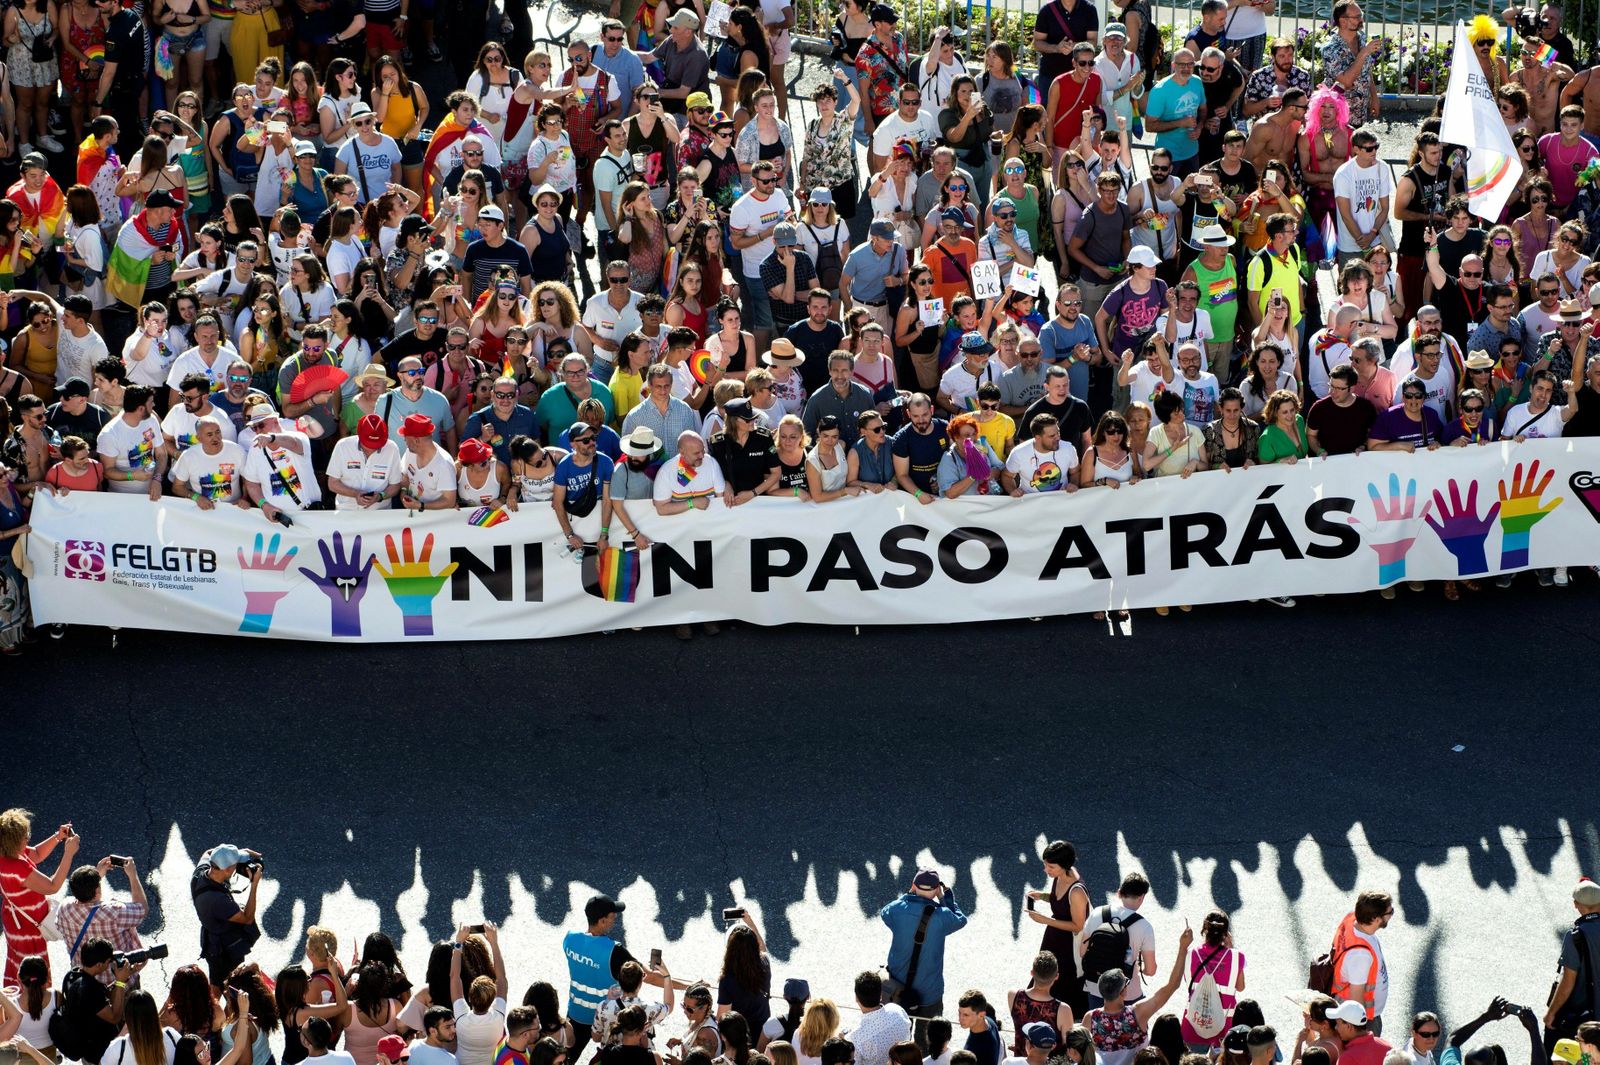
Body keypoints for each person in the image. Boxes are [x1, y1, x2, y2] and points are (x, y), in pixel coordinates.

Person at [1084, 927, 1194, 1065]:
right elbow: (1172, 986)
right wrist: (1183, 947)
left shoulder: (1090, 1019)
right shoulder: (1138, 1013)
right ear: (1123, 992)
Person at [881, 869, 968, 1032]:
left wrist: (909, 895)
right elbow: (960, 919)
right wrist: (944, 898)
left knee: (898, 1037)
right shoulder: (943, 916)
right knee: (927, 1042)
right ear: (936, 890)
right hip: (930, 991)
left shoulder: (897, 909)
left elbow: (885, 913)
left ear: (914, 885)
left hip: (898, 989)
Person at [0, 812, 79, 985]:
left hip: (17, 922)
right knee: (34, 974)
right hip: (28, 930)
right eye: (25, 836)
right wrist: (69, 853)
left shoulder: (7, 853)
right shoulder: (17, 868)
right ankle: (37, 1007)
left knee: (19, 966)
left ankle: (13, 1002)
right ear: (14, 841)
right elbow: (52, 886)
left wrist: (57, 837)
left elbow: (35, 854)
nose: (28, 839)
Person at [190, 844, 263, 988]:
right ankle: (224, 1009)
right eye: (236, 864)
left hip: (212, 945)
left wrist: (241, 852)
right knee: (232, 988)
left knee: (216, 984)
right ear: (228, 869)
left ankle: (212, 1007)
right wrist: (254, 885)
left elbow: (207, 851)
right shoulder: (218, 901)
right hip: (225, 951)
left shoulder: (200, 873)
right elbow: (247, 918)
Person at [1307, 365, 1377, 456]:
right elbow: (1311, 435)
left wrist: (1364, 446)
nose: (1332, 392)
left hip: (1356, 461)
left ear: (1351, 388)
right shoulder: (1319, 408)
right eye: (1331, 386)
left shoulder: (1366, 407)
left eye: (1339, 389)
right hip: (1328, 462)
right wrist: (1319, 451)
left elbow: (1373, 434)